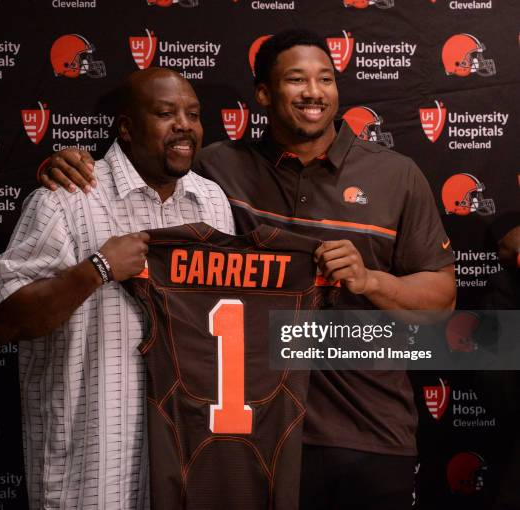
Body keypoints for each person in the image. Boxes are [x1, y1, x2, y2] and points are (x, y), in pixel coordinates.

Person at [40, 29, 456, 509]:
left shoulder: (397, 175)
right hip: (256, 435)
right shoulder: (216, 174)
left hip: (368, 430)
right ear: (263, 94)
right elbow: (147, 163)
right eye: (296, 80)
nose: (313, 92)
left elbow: (442, 300)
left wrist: (371, 280)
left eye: (325, 78)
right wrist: (68, 165)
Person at [0, 68, 234, 510]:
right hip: (93, 463)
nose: (184, 124)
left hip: (186, 458)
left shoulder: (213, 201)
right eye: (165, 112)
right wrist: (96, 269)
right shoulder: (67, 197)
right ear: (126, 126)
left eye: (193, 114)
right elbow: (5, 320)